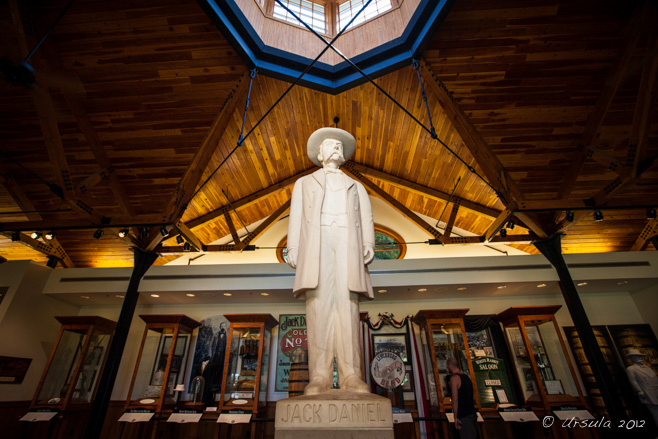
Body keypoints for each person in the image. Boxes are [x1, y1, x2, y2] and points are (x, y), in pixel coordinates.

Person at [286, 127, 375, 395]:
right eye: (330, 144)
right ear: (319, 153)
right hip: (317, 242)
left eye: (339, 145)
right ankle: (320, 375)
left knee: (348, 306)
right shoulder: (304, 183)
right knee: (318, 306)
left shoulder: (356, 186)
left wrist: (368, 243)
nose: (335, 147)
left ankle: (351, 374)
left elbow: (367, 217)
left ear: (344, 155)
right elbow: (296, 215)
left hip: (347, 241)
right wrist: (293, 245)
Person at [625, 348, 658, 426]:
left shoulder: (647, 368)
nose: (639, 359)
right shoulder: (631, 369)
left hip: (656, 389)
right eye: (636, 357)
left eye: (640, 357)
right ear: (632, 358)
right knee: (655, 412)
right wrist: (639, 391)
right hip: (648, 393)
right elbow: (633, 381)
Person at [447, 357, 477, 439]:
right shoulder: (467, 377)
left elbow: (455, 399)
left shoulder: (454, 378)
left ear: (449, 365)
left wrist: (455, 416)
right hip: (472, 413)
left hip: (464, 415)